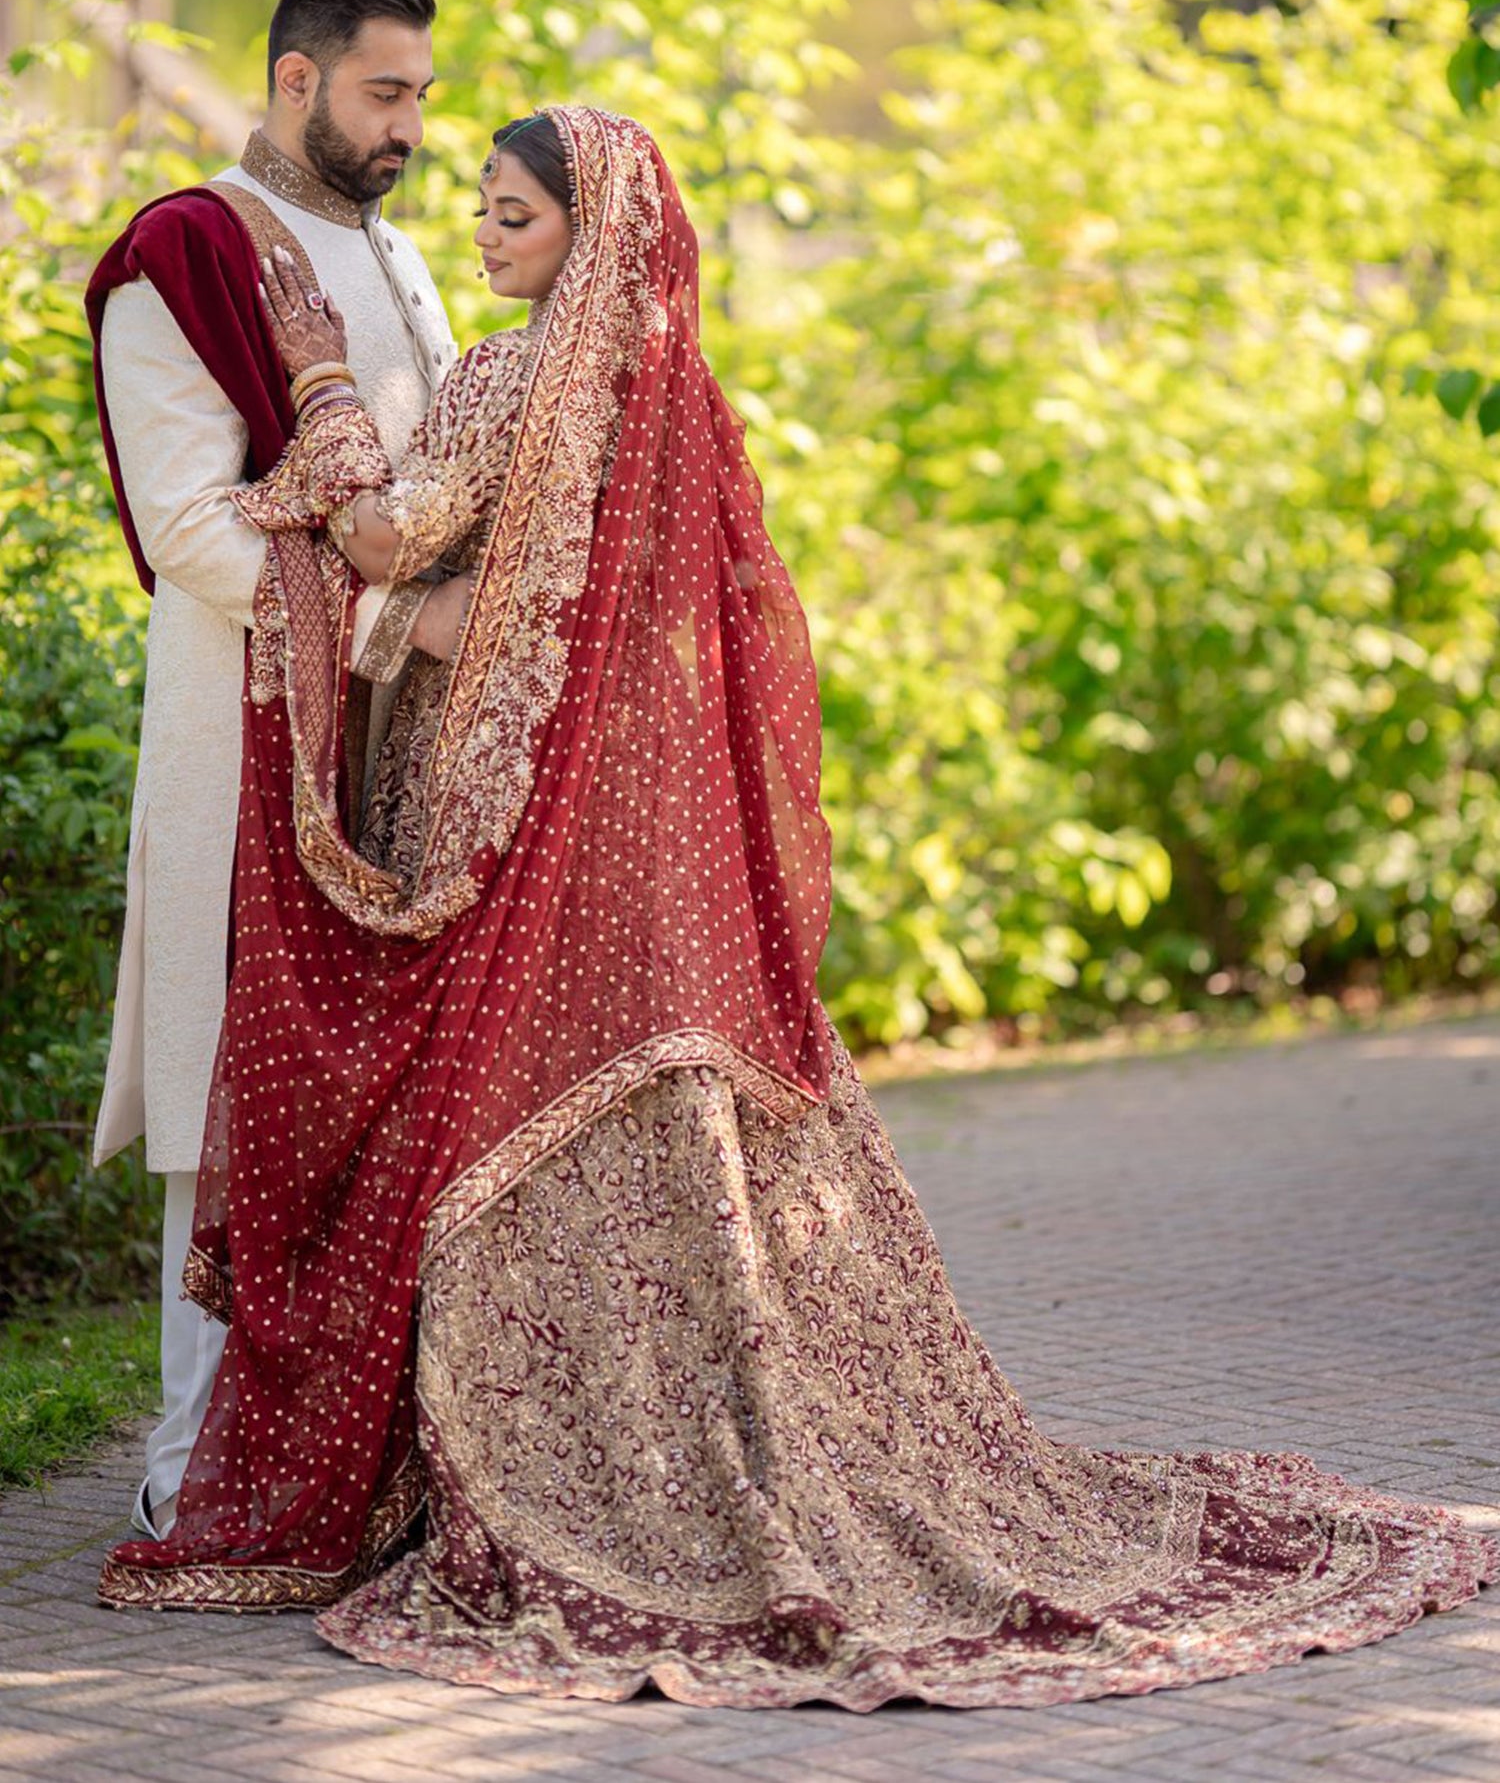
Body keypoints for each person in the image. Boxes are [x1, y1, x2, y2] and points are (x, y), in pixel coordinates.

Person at [98, 106, 1497, 1708]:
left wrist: (331, 410)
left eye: (514, 217)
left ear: (585, 231)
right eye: (479, 212)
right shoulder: (683, 403)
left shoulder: (500, 383)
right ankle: (740, 1425)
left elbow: (386, 532)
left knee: (487, 1106)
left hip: (519, 834)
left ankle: (550, 1466)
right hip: (643, 840)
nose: (485, 236)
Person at [85, 0, 469, 1544]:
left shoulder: (409, 261)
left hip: (412, 737)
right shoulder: (180, 254)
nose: (411, 129)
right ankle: (197, 1463)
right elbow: (190, 530)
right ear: (296, 78)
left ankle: (367, 1465)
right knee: (235, 1084)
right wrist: (397, 626)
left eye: (425, 99)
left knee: (394, 1097)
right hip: (252, 733)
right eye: (386, 94)